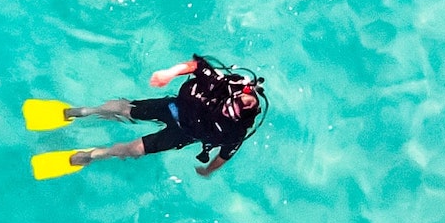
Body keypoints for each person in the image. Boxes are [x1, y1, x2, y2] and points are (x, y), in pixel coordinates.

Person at [31, 55, 268, 180]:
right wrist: (169, 73)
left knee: (132, 149)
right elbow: (196, 66)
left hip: (182, 133)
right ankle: (80, 112)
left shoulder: (236, 133)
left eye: (233, 116)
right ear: (235, 96)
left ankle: (91, 156)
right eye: (231, 106)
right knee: (123, 108)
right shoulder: (223, 85)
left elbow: (223, 156)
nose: (228, 112)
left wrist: (208, 171)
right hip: (174, 108)